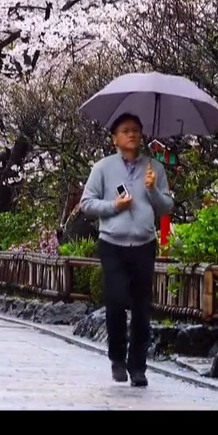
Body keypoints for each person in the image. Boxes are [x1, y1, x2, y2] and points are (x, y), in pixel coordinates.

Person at [78, 112, 173, 388]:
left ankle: (138, 367)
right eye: (125, 130)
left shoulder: (154, 168)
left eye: (136, 130)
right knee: (116, 302)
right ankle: (117, 359)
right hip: (112, 244)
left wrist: (154, 190)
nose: (131, 135)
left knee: (142, 308)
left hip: (144, 244)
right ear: (115, 139)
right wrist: (113, 207)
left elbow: (167, 207)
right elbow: (87, 203)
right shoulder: (103, 168)